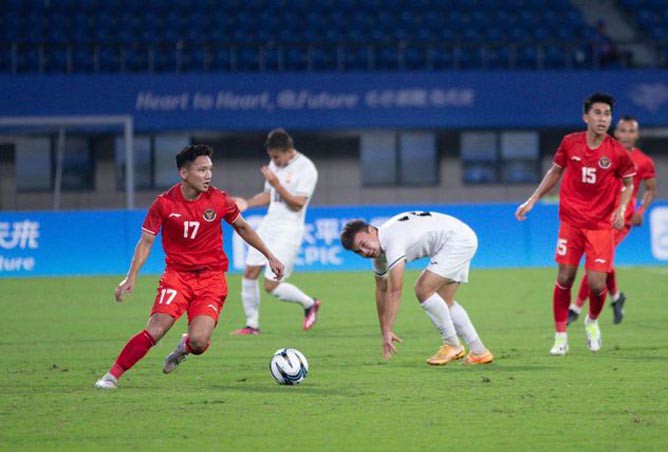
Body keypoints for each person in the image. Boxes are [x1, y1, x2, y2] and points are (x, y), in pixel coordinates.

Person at [94, 145, 284, 390]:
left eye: (210, 169)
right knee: (156, 329)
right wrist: (130, 277)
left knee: (198, 341)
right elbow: (146, 242)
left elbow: (243, 228)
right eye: (202, 170)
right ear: (184, 174)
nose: (208, 175)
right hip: (177, 277)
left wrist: (270, 256)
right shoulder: (164, 204)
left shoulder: (219, 199)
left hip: (211, 280)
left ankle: (184, 347)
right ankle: (111, 376)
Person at [515, 92, 636, 356]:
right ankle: (560, 337)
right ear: (586, 117)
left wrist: (622, 207)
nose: (603, 118)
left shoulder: (617, 152)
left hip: (601, 226)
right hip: (571, 222)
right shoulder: (570, 143)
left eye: (607, 114)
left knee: (596, 285)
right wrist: (533, 200)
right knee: (565, 277)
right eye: (597, 113)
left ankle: (592, 321)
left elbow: (628, 183)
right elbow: (554, 171)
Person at [340, 211, 494, 365]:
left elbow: (395, 291)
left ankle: (452, 345)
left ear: (371, 230)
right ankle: (479, 352)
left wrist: (389, 328)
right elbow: (381, 290)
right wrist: (385, 331)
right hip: (459, 237)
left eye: (364, 244)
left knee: (423, 289)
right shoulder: (379, 252)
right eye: (359, 251)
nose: (366, 252)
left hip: (457, 240)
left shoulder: (392, 240)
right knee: (444, 301)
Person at [568, 115, 657, 325]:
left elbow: (650, 190)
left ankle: (575, 308)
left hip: (621, 219)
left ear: (637, 134)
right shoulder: (603, 153)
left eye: (631, 131)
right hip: (598, 215)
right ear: (616, 133)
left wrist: (642, 210)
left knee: (596, 263)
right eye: (623, 131)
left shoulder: (644, 161)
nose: (627, 135)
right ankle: (616, 297)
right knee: (604, 262)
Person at [231, 129, 320, 336]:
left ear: (289, 152)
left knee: (271, 285)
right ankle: (252, 326)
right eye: (271, 157)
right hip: (269, 224)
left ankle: (310, 303)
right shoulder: (274, 164)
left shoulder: (307, 169)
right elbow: (268, 196)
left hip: (289, 230)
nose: (273, 161)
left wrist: (277, 183)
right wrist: (247, 202)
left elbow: (298, 204)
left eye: (276, 157)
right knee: (249, 273)